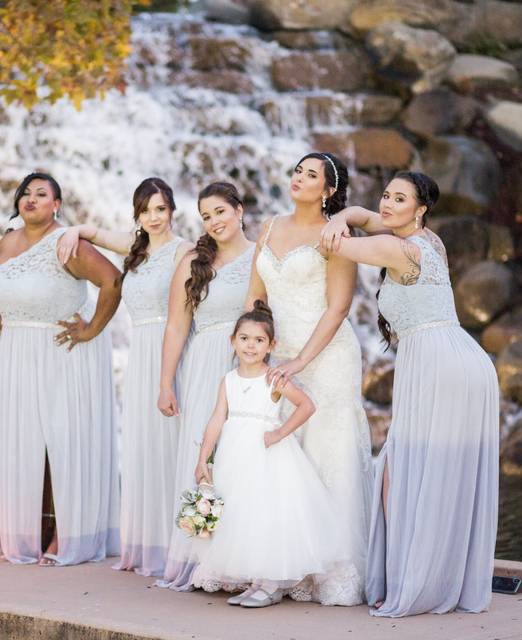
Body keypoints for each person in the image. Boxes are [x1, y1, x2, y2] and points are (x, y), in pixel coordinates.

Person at [321, 170, 499, 616]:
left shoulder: (392, 248)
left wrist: (331, 223)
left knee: (401, 472)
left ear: (420, 209)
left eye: (399, 199)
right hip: (461, 359)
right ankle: (431, 580)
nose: (386, 204)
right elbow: (363, 215)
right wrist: (348, 213)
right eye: (385, 195)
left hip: (439, 365)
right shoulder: (428, 241)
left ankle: (412, 584)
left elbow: (336, 244)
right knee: (435, 476)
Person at [247, 152, 372, 605]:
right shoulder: (269, 227)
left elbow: (339, 307)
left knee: (326, 456)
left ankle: (333, 572)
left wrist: (299, 360)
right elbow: (255, 296)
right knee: (287, 460)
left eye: (311, 175)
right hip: (278, 359)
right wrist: (250, 349)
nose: (299, 179)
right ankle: (288, 567)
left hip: (326, 357)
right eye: (297, 171)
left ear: (330, 189)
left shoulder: (336, 233)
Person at [57, 177, 193, 577]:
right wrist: (72, 230)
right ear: (138, 214)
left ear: (172, 210)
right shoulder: (135, 250)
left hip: (175, 351)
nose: (154, 217)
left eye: (161, 208)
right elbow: (95, 232)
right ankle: (148, 545)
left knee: (172, 446)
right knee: (146, 445)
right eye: (146, 210)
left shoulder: (184, 250)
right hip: (141, 353)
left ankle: (179, 547)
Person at [0, 172, 122, 566]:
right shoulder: (7, 243)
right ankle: (30, 532)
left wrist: (92, 328)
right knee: (24, 442)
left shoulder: (68, 243)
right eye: (26, 193)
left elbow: (113, 281)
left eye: (41, 194)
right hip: (18, 355)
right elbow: (1, 295)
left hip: (64, 353)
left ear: (56, 205)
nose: (31, 199)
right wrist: (13, 326)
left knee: (64, 442)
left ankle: (69, 535)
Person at [190, 301, 350, 608]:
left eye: (259, 340)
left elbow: (307, 405)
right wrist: (203, 459)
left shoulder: (273, 378)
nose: (251, 345)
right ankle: (257, 581)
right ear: (233, 341)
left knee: (268, 514)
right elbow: (216, 419)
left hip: (267, 456)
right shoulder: (229, 380)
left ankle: (272, 584)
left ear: (270, 345)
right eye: (245, 338)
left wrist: (278, 432)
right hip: (234, 457)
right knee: (244, 515)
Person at [156, 182, 255, 591]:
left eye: (220, 211)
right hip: (204, 365)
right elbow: (177, 325)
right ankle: (204, 557)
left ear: (239, 210)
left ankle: (243, 556)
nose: (214, 221)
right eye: (206, 216)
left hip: (247, 365)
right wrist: (165, 383)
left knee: (242, 457)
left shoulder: (260, 257)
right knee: (205, 458)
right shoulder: (195, 262)